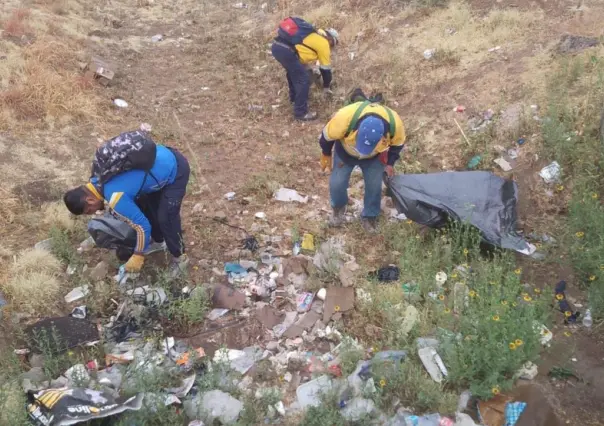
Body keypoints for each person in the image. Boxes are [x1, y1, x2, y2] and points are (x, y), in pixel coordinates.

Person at [63, 130, 190, 276]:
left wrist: (137, 255)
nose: (93, 213)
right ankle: (159, 241)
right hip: (161, 157)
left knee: (166, 217)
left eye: (88, 211)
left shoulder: (115, 196)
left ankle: (180, 258)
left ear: (90, 200)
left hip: (175, 169)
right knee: (147, 205)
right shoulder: (98, 175)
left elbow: (142, 227)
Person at [319, 99, 406, 233]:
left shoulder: (395, 124)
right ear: (358, 130)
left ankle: (370, 216)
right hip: (345, 153)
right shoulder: (344, 117)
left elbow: (398, 145)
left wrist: (390, 163)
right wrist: (326, 153)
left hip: (374, 158)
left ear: (382, 137)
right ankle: (338, 209)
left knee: (374, 186)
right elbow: (326, 137)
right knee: (337, 183)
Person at [271, 17, 339, 121]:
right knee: (303, 79)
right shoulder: (324, 43)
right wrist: (326, 86)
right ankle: (300, 113)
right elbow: (325, 69)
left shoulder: (313, 34)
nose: (331, 47)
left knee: (294, 72)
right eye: (333, 44)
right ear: (330, 39)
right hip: (287, 51)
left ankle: (294, 99)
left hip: (277, 47)